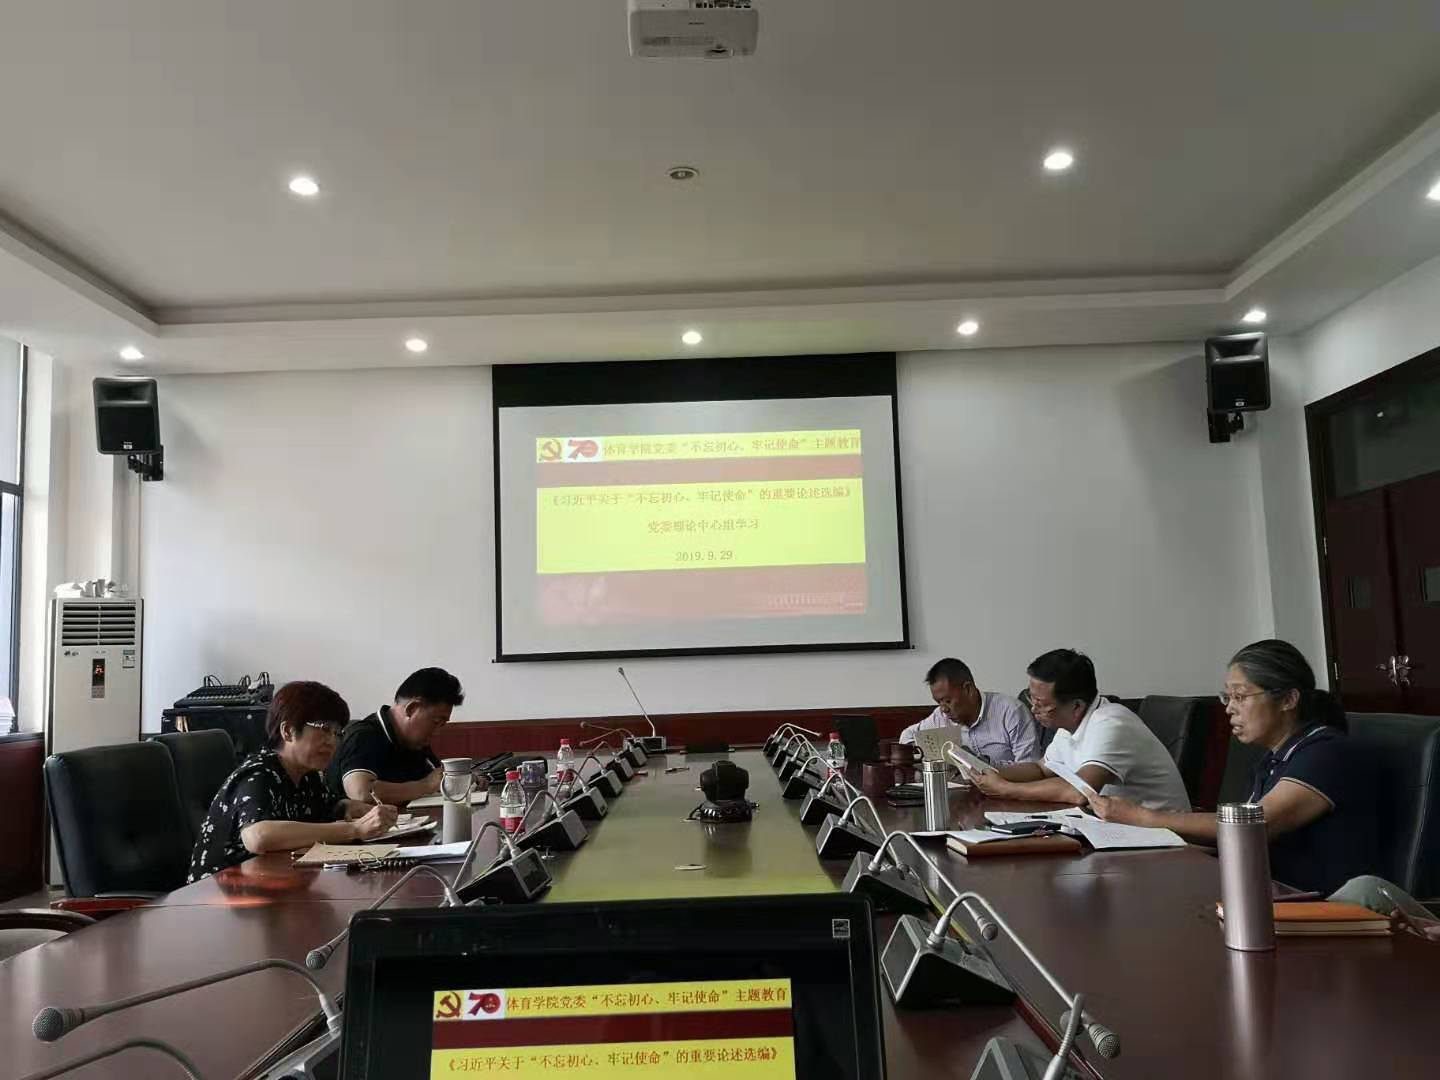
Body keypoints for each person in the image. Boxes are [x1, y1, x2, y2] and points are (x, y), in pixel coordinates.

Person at [1087, 639, 1379, 895]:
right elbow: (1232, 837)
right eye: (1227, 697)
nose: (1229, 708)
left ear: (1288, 699)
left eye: (1240, 696)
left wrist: (1143, 817)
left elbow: (1255, 826)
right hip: (1268, 893)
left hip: (1321, 907)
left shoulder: (1326, 753)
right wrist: (1145, 837)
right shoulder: (1274, 759)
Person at [188, 681, 397, 882]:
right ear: (288, 731)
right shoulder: (259, 774)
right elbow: (259, 837)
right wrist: (355, 830)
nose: (332, 742)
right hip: (220, 894)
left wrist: (347, 807)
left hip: (274, 881)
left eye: (337, 733)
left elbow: (327, 808)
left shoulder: (308, 776)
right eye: (324, 729)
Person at [971, 649, 1190, 811]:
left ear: (1076, 706)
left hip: (1166, 838)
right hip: (1120, 829)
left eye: (1041, 704)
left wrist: (1006, 789)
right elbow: (1041, 769)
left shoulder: (1111, 723)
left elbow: (1079, 792)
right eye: (1031, 698)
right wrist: (989, 772)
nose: (1033, 709)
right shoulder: (1069, 725)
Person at [327, 667, 465, 804]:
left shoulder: (414, 742)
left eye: (442, 724)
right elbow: (362, 792)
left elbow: (437, 778)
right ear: (411, 709)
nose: (437, 732)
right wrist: (425, 786)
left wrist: (461, 780)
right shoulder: (363, 736)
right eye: (436, 722)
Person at [899, 657, 1041, 766]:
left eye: (947, 701)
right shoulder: (940, 717)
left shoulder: (1011, 711)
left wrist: (983, 764)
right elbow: (907, 736)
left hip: (1007, 790)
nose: (943, 709)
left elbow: (1029, 767)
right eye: (938, 702)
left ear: (968, 689)